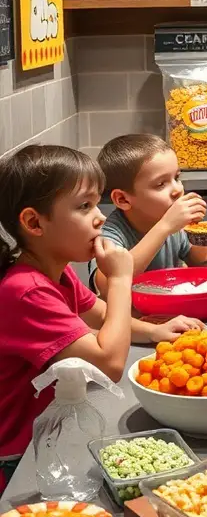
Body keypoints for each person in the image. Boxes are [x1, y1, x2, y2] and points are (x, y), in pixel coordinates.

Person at [0, 144, 190, 491]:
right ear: (33, 222)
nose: (100, 217)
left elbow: (101, 316)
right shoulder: (26, 291)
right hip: (22, 459)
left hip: (55, 433)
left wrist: (153, 331)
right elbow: (109, 364)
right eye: (84, 206)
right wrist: (120, 279)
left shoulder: (55, 272)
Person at [91, 134, 207, 300]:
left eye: (176, 178)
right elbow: (107, 287)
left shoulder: (176, 227)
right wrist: (164, 227)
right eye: (161, 184)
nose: (177, 189)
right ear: (123, 199)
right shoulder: (107, 237)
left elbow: (203, 264)